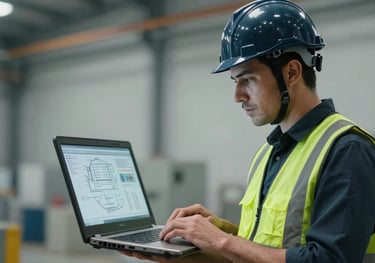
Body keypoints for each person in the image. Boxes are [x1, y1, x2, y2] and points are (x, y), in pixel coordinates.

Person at [122, 0, 375, 262]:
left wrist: (222, 241)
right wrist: (185, 249)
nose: (237, 96)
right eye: (235, 81)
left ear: (291, 72)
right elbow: (259, 252)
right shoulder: (269, 152)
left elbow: (328, 259)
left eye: (248, 79)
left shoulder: (347, 151)